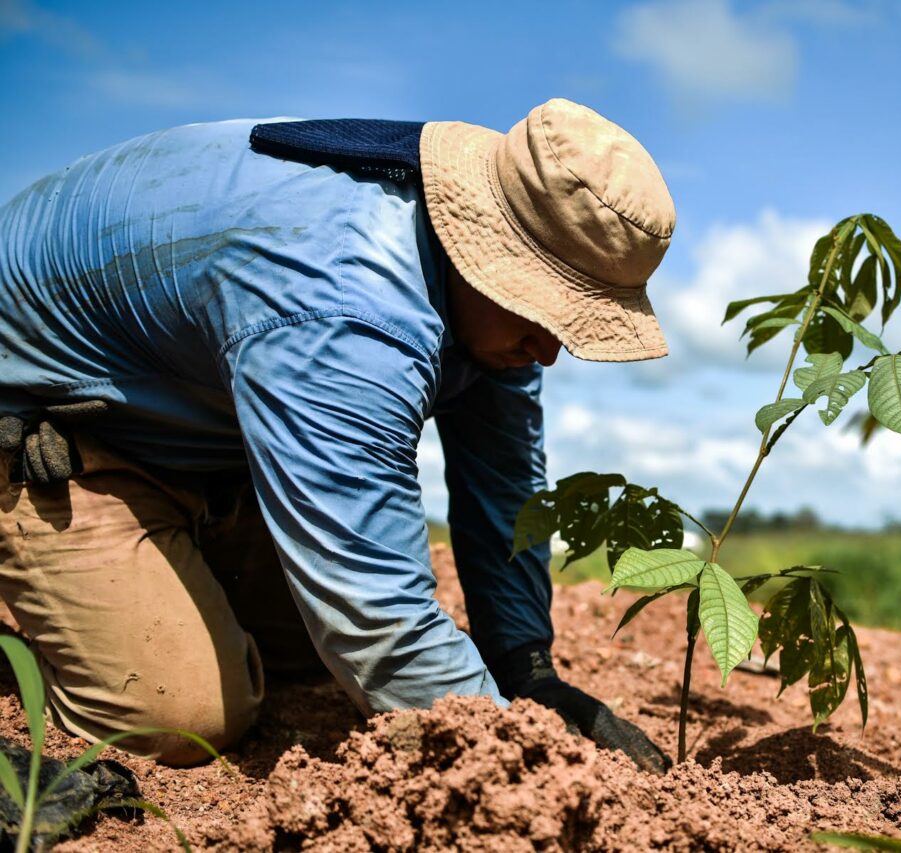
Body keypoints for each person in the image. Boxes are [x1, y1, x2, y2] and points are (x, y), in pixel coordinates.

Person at [0, 99, 674, 772]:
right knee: (183, 713)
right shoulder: (347, 302)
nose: (550, 351)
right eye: (548, 310)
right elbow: (375, 612)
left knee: (303, 649)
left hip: (190, 422)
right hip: (54, 429)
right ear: (485, 250)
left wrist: (526, 671)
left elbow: (505, 489)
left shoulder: (499, 315)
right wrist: (528, 777)